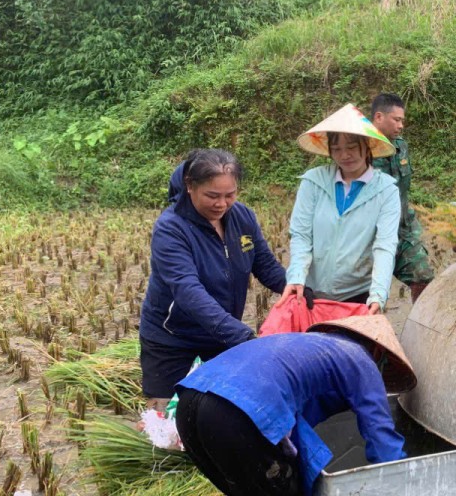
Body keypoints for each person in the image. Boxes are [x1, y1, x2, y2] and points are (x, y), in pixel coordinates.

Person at [175, 314, 416, 496]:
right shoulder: (360, 358)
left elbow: (294, 424)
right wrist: (403, 483)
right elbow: (383, 439)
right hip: (234, 412)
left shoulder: (308, 347)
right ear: (376, 350)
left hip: (188, 404)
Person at [139, 149, 287, 409]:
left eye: (230, 195)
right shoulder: (171, 228)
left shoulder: (242, 217)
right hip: (173, 341)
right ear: (190, 187)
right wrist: (241, 335)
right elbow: (188, 291)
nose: (221, 204)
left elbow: (264, 265)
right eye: (212, 196)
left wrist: (297, 289)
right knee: (166, 419)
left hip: (220, 337)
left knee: (218, 413)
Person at [276, 104, 401, 314]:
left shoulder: (385, 190)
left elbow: (385, 245)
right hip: (310, 295)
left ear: (368, 145)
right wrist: (297, 276)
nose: (344, 155)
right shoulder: (314, 181)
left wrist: (378, 294)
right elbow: (301, 235)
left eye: (351, 147)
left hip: (358, 297)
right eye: (336, 149)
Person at [369, 93, 435, 303]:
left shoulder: (400, 146)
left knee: (422, 275)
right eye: (396, 120)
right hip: (370, 231)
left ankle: (419, 329)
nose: (401, 125)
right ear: (379, 117)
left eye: (402, 120)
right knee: (365, 290)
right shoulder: (359, 149)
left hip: (403, 227)